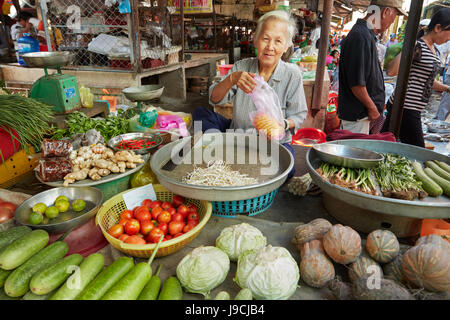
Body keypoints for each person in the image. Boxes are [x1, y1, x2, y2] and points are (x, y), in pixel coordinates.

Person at [193, 10, 308, 179]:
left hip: (273, 143)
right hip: (239, 134)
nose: (270, 47)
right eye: (265, 39)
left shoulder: (292, 74)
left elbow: (298, 115)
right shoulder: (242, 67)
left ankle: (225, 154)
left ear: (285, 47)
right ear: (256, 40)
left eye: (278, 41)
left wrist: (281, 125)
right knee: (200, 114)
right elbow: (214, 98)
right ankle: (223, 151)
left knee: (286, 170)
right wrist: (232, 79)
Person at [382, 8, 450, 147]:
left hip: (412, 108)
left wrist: (447, 89)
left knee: (386, 143)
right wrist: (409, 46)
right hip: (406, 106)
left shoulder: (433, 49)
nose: (449, 39)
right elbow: (391, 71)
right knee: (417, 151)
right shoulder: (418, 46)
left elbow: (428, 81)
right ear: (438, 28)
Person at [337, 0, 406, 134]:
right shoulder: (360, 36)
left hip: (362, 117)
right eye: (393, 19)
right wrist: (372, 108)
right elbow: (357, 83)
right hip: (357, 117)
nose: (391, 23)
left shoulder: (366, 34)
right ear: (386, 12)